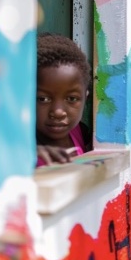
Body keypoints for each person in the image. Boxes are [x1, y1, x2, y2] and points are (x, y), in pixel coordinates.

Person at [35, 33, 93, 166]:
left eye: (72, 99)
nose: (58, 112)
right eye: (43, 99)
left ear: (86, 98)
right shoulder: (22, 150)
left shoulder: (78, 131)